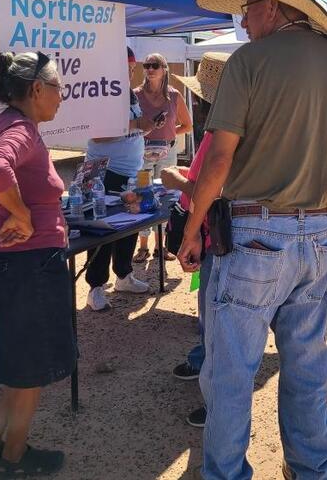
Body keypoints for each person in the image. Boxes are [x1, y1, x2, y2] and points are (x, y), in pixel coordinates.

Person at [178, 0, 327, 480]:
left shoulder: (250, 62)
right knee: (307, 366)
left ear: (272, 6)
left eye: (247, 8)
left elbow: (219, 160)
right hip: (316, 236)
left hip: (253, 235)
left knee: (230, 372)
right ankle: (312, 470)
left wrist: (190, 226)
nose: (243, 20)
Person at [0, 51, 71, 476]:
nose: (62, 98)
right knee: (30, 369)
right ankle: (14, 459)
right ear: (38, 89)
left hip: (14, 263)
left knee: (18, 362)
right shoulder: (20, 128)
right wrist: (22, 214)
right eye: (59, 89)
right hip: (29, 265)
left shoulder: (6, 123)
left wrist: (17, 211)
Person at [162, 52, 230, 429]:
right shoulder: (223, 128)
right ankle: (205, 367)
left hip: (213, 236)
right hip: (212, 235)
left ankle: (216, 402)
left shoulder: (224, 131)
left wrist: (179, 182)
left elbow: (215, 189)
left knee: (218, 320)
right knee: (212, 317)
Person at [84, 47, 162, 311]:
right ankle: (95, 286)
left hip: (129, 171)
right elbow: (97, 134)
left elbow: (130, 126)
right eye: (125, 69)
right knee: (101, 230)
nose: (129, 74)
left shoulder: (127, 93)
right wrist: (136, 126)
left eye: (131, 69)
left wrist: (145, 125)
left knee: (130, 224)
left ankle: (123, 275)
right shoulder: (99, 91)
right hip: (104, 172)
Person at [134, 52, 193, 263]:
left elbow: (187, 126)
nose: (150, 69)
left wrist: (167, 132)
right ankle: (143, 247)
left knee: (166, 198)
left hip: (167, 154)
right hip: (141, 152)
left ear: (164, 69)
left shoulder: (174, 96)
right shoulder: (136, 95)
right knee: (143, 196)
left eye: (154, 65)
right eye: (147, 65)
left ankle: (161, 246)